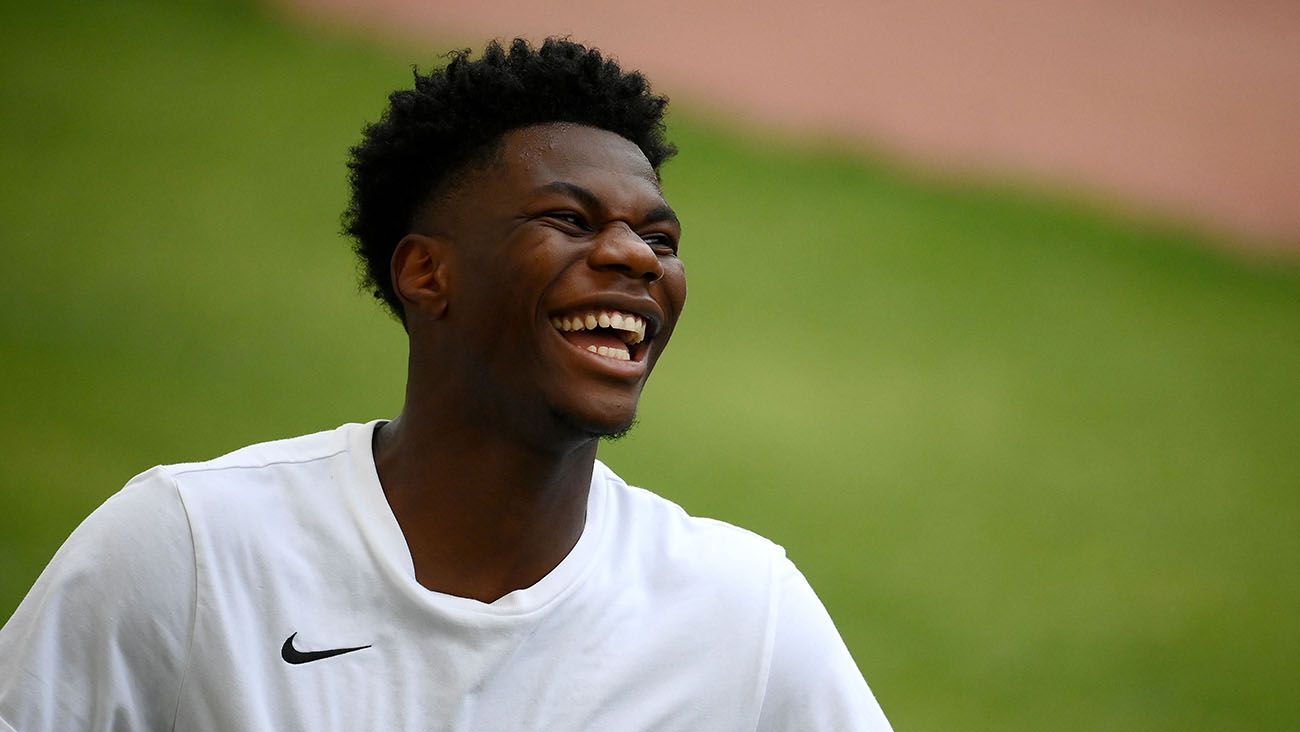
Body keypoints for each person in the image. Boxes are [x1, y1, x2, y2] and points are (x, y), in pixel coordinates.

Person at [0, 38, 892, 731]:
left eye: (660, 239)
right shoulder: (195, 550)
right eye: (569, 219)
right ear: (427, 273)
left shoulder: (741, 613)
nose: (634, 257)